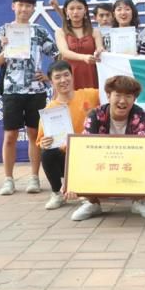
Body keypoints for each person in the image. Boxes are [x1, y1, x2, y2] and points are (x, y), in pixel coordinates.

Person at [0, 0, 59, 196]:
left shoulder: (39, 31)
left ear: (33, 9)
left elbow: (57, 54)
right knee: (10, 135)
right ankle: (8, 180)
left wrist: (48, 76)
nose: (24, 9)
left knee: (34, 134)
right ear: (13, 6)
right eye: (20, 5)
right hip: (11, 90)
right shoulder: (3, 31)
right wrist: (5, 50)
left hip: (35, 91)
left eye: (28, 6)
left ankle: (34, 178)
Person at [70, 75, 145, 220]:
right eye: (117, 95)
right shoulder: (95, 115)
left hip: (129, 165)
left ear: (134, 98)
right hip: (102, 165)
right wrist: (71, 182)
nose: (122, 101)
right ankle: (92, 202)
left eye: (128, 96)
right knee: (83, 162)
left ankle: (139, 201)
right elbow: (85, 152)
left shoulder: (142, 116)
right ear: (108, 95)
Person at [36, 60, 99, 210]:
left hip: (90, 154)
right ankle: (57, 193)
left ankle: (85, 190)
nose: (63, 80)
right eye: (57, 77)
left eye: (66, 75)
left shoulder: (91, 94)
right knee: (47, 153)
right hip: (66, 157)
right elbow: (41, 140)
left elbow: (111, 92)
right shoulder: (49, 110)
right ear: (51, 81)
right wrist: (44, 142)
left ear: (72, 76)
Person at [54, 0, 103, 89]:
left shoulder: (95, 32)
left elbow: (99, 47)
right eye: (71, 9)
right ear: (66, 11)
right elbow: (64, 52)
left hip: (91, 74)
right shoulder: (60, 32)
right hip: (68, 75)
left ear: (85, 10)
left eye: (79, 8)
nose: (75, 12)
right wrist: (83, 57)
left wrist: (99, 51)